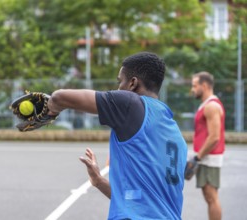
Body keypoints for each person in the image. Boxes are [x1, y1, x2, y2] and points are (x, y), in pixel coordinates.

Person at [47, 52, 188, 219]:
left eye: (120, 81)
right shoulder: (175, 135)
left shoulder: (131, 103)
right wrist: (99, 181)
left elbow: (59, 97)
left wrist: (49, 111)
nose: (118, 87)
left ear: (133, 83)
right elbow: (137, 202)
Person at [190, 71, 225, 220]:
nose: (192, 89)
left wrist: (198, 157)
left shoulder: (211, 106)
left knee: (211, 198)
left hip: (209, 158)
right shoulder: (206, 105)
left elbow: (214, 137)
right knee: (209, 197)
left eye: (194, 86)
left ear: (204, 86)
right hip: (206, 157)